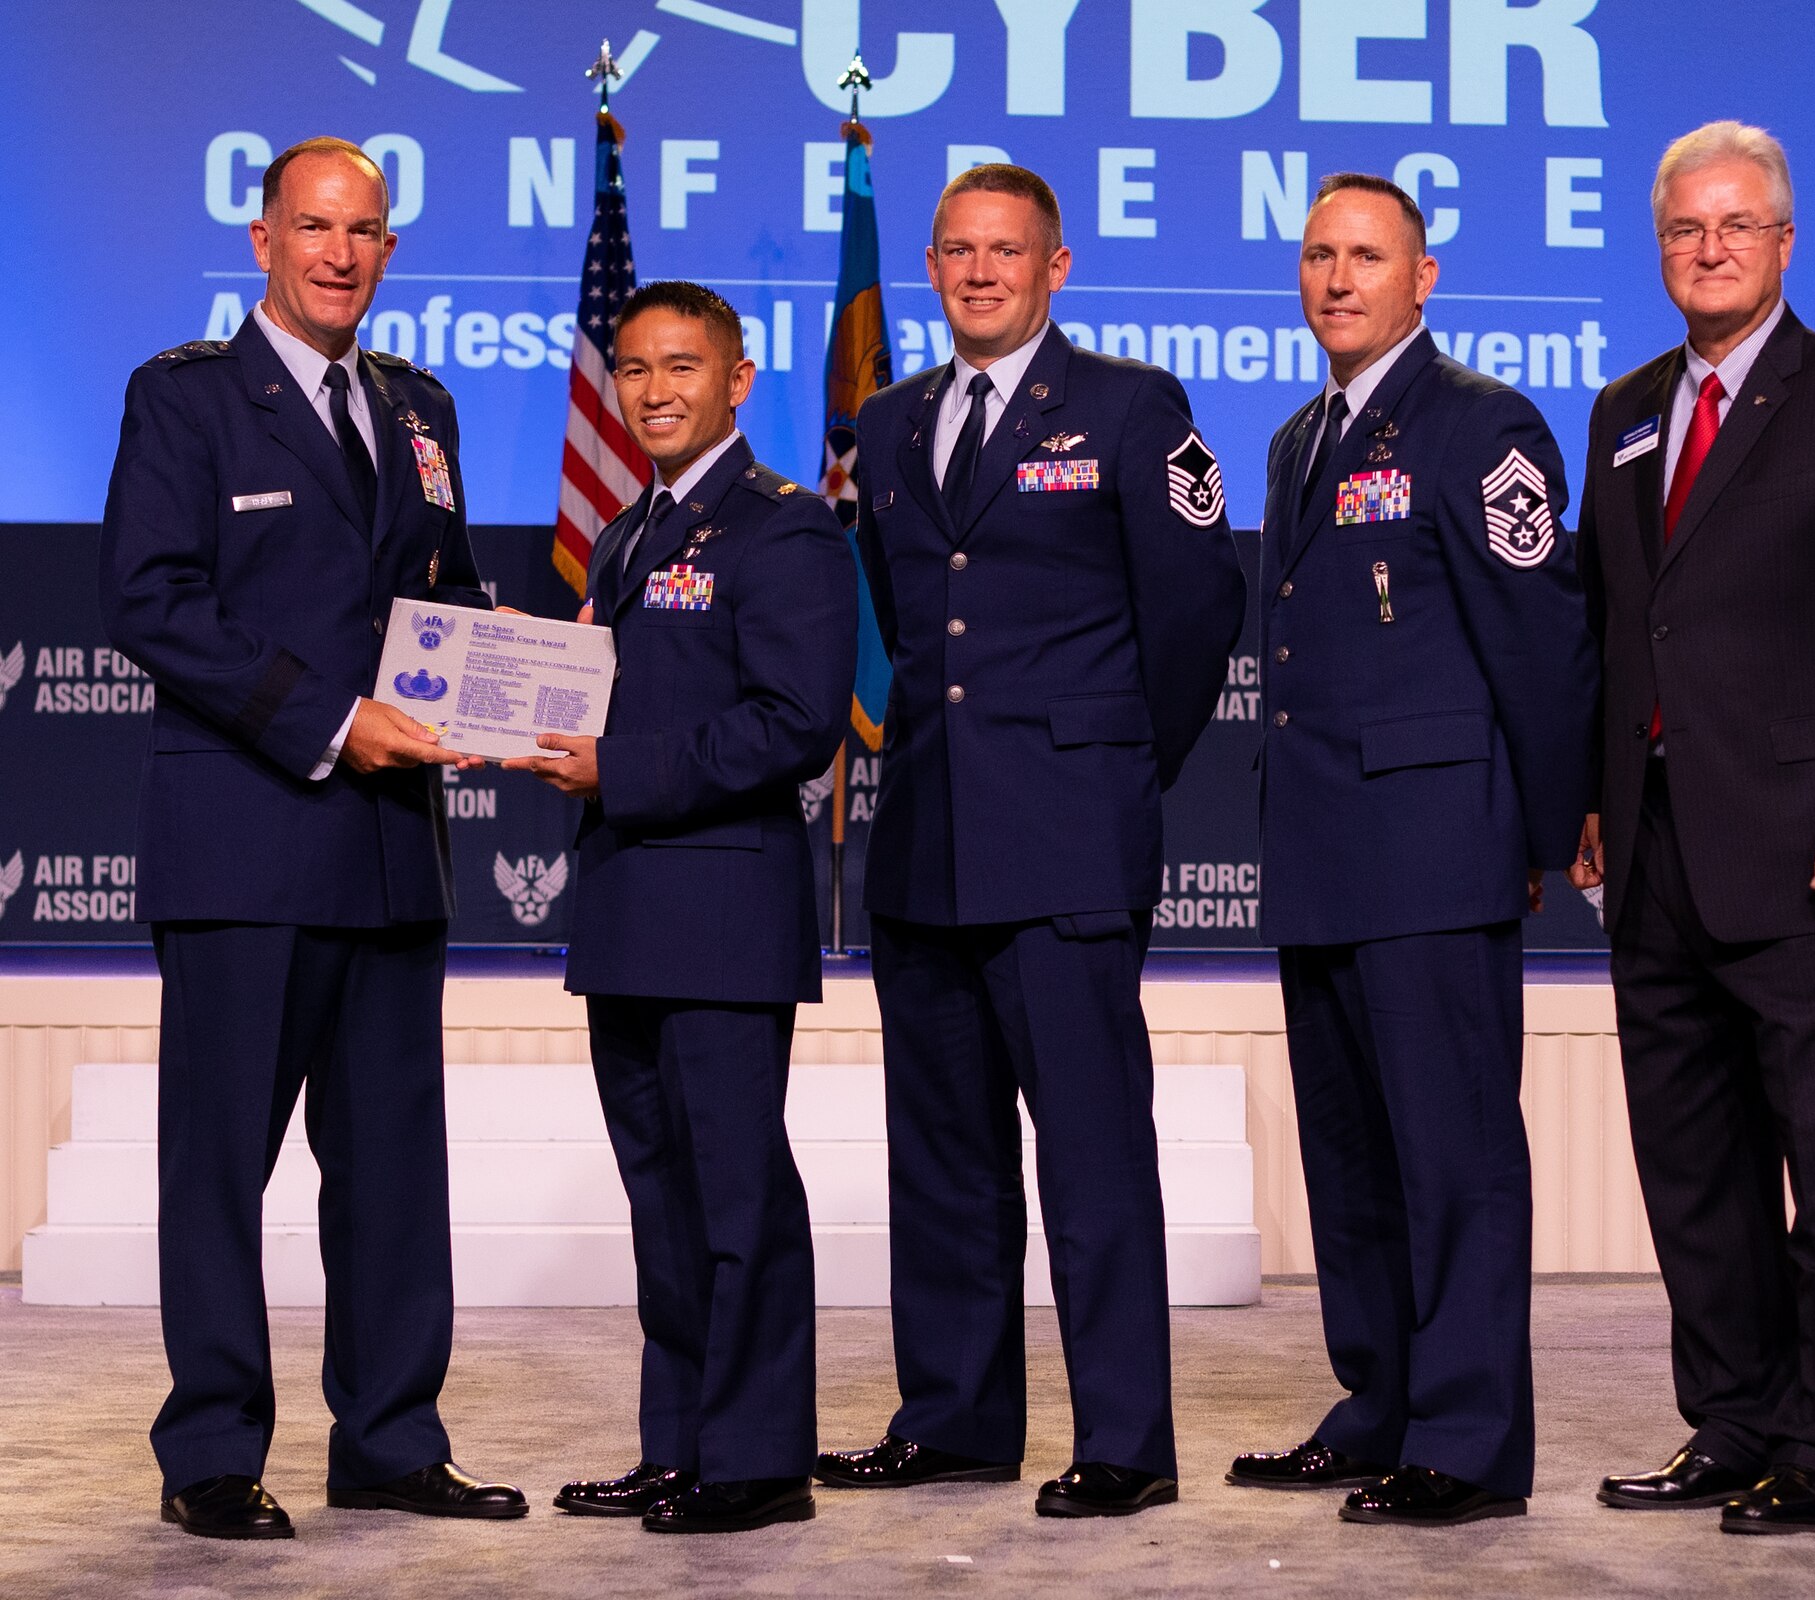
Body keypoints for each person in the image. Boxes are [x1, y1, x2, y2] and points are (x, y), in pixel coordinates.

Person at [99, 137, 524, 1539]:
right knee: (221, 1164)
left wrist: (523, 667)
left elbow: (443, 593)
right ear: (263, 240)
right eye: (314, 227)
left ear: (389, 252)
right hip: (247, 840)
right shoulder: (186, 403)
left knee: (397, 1165)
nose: (341, 253)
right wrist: (336, 719)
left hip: (395, 846)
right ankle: (213, 1453)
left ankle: (392, 1438)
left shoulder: (422, 407)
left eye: (366, 232)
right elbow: (155, 604)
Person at [814, 165, 1244, 1518]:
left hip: (1067, 835)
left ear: (1056, 268)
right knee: (940, 1150)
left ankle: (1125, 1438)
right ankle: (953, 1417)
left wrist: (1112, 763)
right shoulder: (886, 425)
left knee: (1094, 1150)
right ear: (932, 269)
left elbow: (1194, 610)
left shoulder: (1132, 406)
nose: (981, 272)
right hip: (927, 837)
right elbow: (903, 609)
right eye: (959, 252)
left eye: (1008, 251)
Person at [1571, 122, 1815, 1535]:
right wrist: (1596, 804)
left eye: (1737, 227)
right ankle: (1731, 1424)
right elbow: (1614, 629)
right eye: (1686, 229)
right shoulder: (1622, 410)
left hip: (1812, 857)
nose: (1711, 249)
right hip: (1659, 855)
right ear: (1660, 247)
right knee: (1696, 1173)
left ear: (1785, 245)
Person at [1229, 173, 1596, 1527]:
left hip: (1435, 845)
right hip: (1322, 844)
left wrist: (1554, 825)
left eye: (1365, 256)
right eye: (1318, 254)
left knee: (1452, 1160)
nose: (1337, 278)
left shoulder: (1479, 423)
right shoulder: (1293, 438)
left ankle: (1469, 1439)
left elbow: (1541, 642)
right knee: (1353, 1160)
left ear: (1422, 277)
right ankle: (1378, 1402)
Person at [506, 280, 855, 1535]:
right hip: (628, 912)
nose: (655, 391)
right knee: (664, 1200)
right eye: (637, 370)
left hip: (720, 916)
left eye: (682, 368)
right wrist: (526, 678)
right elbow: (629, 693)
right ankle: (682, 1443)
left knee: (737, 1194)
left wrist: (620, 771)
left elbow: (795, 723)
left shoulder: (784, 530)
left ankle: (758, 1460)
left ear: (737, 380)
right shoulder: (625, 535)